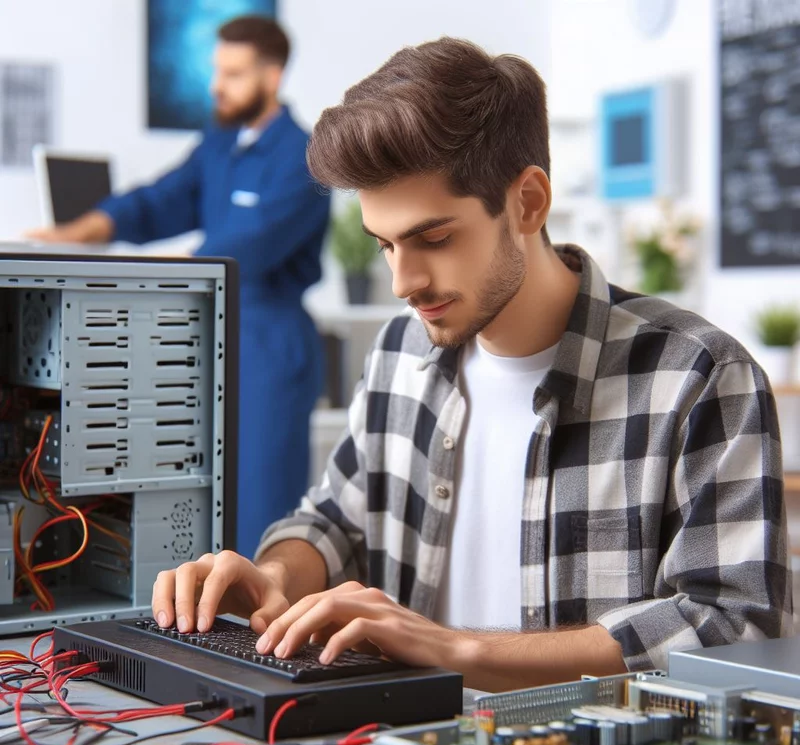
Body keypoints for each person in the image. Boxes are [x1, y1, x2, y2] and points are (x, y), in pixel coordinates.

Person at [150, 38, 793, 693]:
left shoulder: (699, 377)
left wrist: (454, 649)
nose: (404, 280)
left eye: (434, 238)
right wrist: (279, 577)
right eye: (385, 245)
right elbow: (333, 520)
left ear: (528, 203)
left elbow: (734, 627)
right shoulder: (399, 354)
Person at [26, 17, 330, 558]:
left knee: (262, 507)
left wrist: (167, 263)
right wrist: (74, 234)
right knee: (195, 497)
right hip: (202, 337)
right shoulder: (219, 146)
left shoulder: (305, 157)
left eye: (234, 73)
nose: (219, 85)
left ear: (273, 75)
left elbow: (248, 245)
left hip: (267, 344)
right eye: (218, 70)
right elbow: (157, 200)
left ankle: (264, 630)